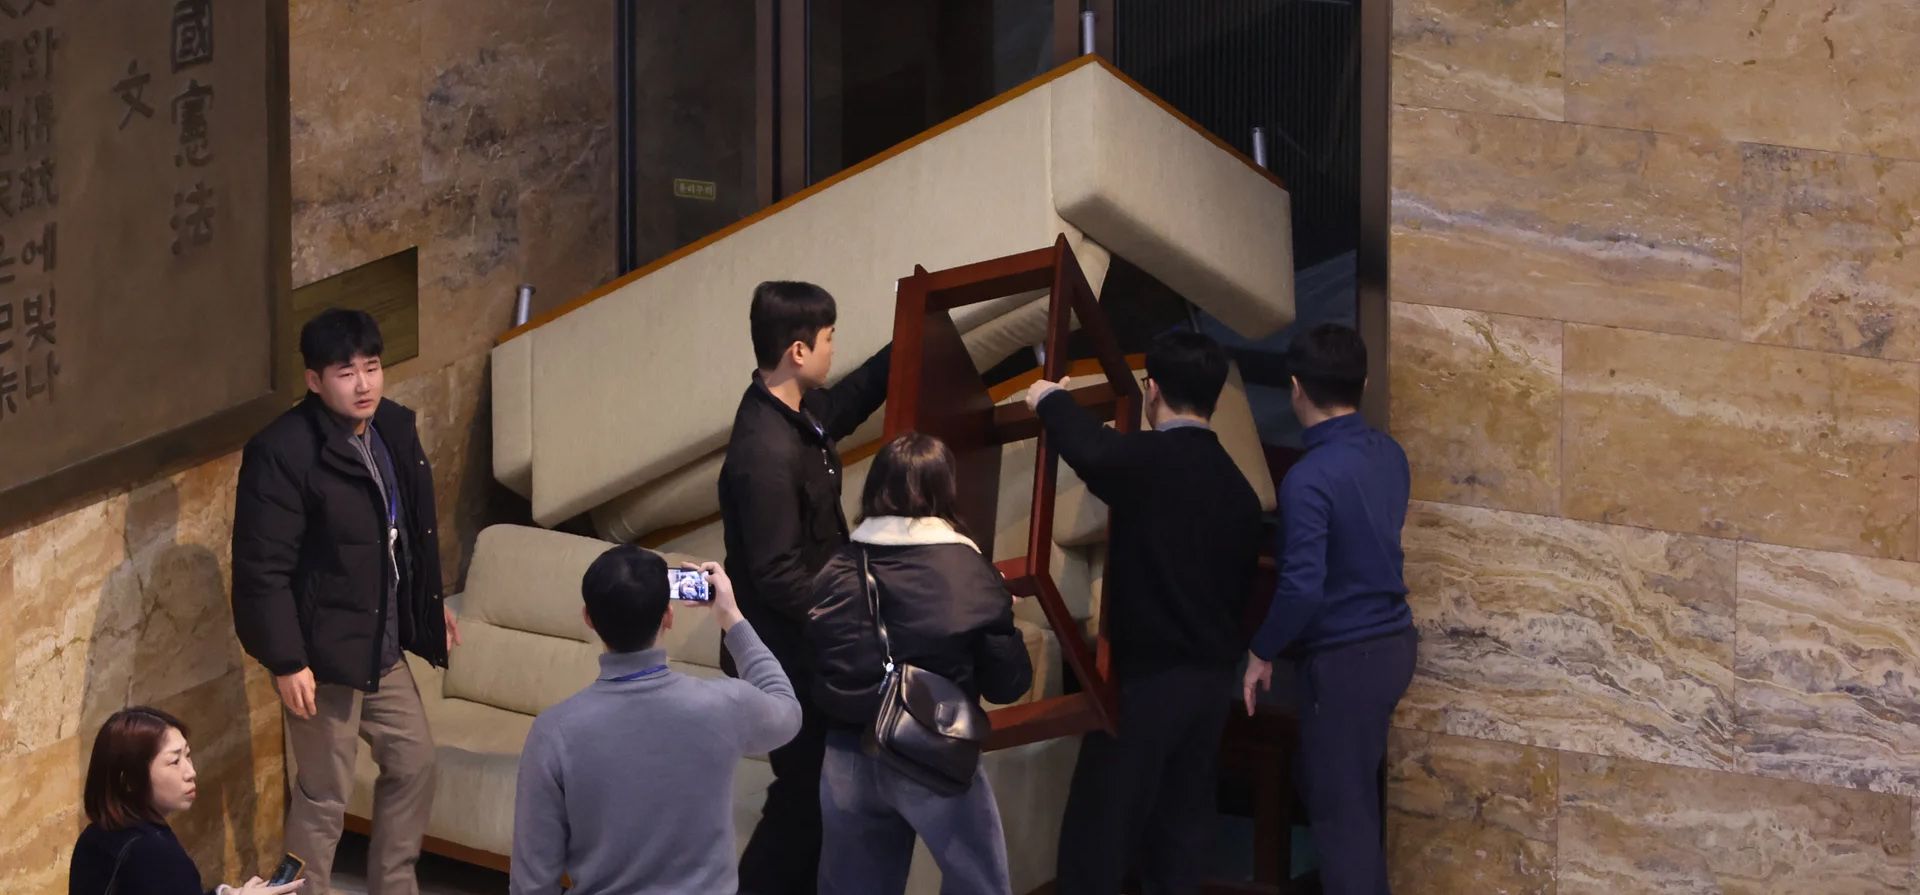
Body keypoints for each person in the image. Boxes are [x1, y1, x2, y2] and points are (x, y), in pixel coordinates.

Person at [1028, 330, 1265, 895]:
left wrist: (1048, 398)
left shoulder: (1154, 461)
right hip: (1210, 688)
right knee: (1178, 837)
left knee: (1099, 835)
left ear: (1151, 389)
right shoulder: (1241, 493)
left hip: (1149, 682)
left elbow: (1091, 450)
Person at [231, 308, 459, 895]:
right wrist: (285, 659)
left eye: (373, 368)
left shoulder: (392, 429)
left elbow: (405, 533)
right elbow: (263, 569)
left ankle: (393, 885)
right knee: (324, 795)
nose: (364, 384)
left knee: (415, 763)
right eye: (345, 373)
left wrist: (428, 608)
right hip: (322, 657)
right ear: (313, 380)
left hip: (379, 645)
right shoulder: (281, 452)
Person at [718, 280, 891, 894]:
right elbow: (775, 574)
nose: (833, 348)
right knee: (803, 797)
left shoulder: (798, 410)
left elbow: (851, 399)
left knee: (822, 795)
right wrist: (854, 610)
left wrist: (916, 337)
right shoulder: (762, 451)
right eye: (828, 339)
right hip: (782, 653)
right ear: (798, 350)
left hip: (810, 640)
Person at [805, 432, 1033, 895]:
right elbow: (1008, 684)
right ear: (943, 489)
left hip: (847, 756)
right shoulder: (970, 571)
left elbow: (817, 663)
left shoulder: (837, 566)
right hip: (936, 753)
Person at [510, 545, 801, 894]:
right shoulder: (724, 704)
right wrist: (731, 617)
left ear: (588, 618)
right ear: (668, 617)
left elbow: (532, 883)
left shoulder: (553, 732)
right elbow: (787, 710)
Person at [1242, 323, 1415, 895]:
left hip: (1347, 659)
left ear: (1295, 388)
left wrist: (1261, 650)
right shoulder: (1389, 455)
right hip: (1392, 647)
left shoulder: (1309, 479)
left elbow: (1301, 588)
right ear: (1362, 382)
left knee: (1342, 823)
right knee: (1354, 809)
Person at [70, 707, 307, 895]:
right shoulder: (153, 854)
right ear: (130, 779)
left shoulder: (95, 836)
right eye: (174, 762)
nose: (190, 772)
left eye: (188, 755)